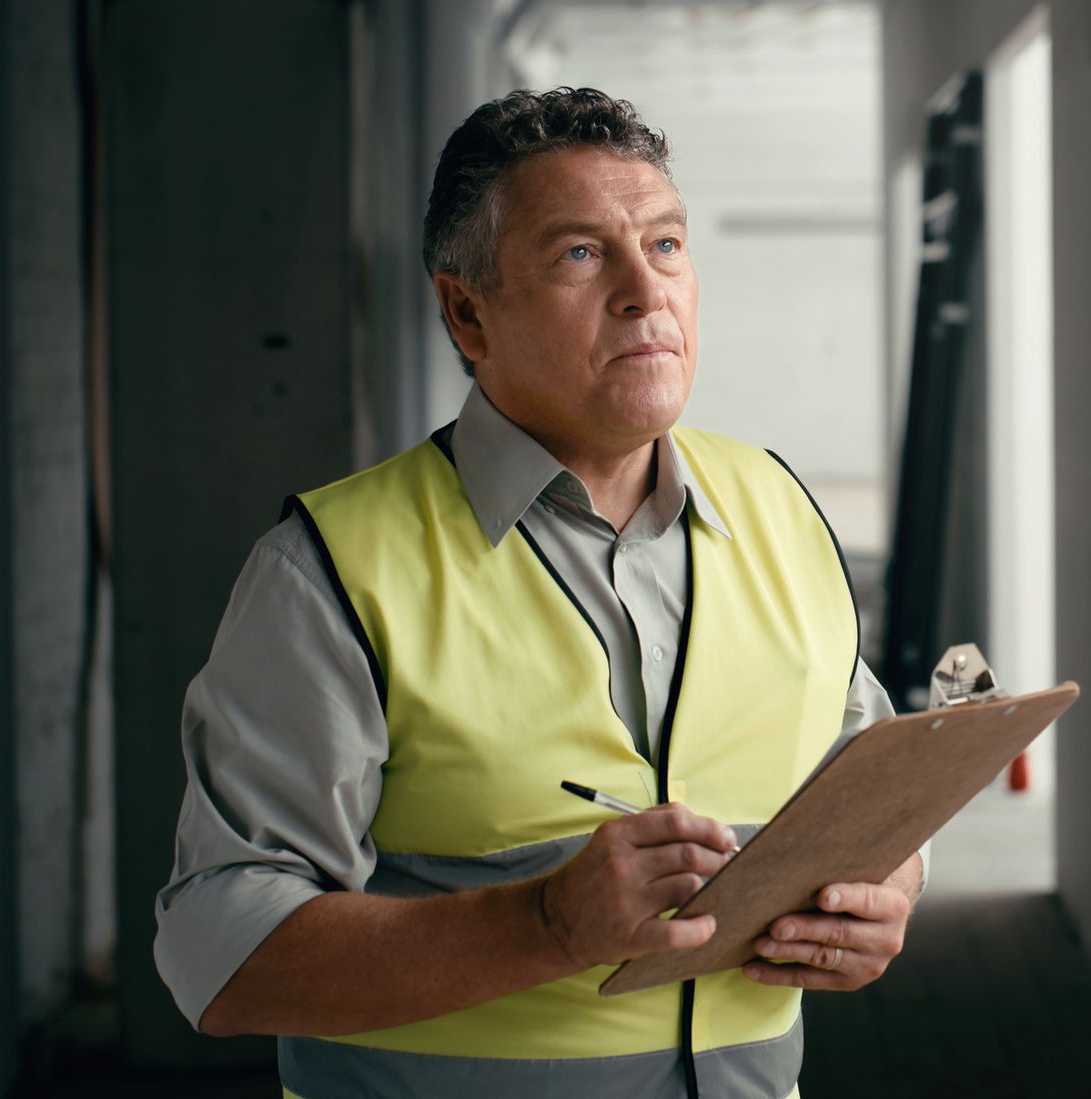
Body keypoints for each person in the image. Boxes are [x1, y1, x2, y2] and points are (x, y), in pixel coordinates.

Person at [154, 87, 925, 1098]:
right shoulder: (334, 572)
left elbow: (866, 791)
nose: (646, 293)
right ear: (466, 312)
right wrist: (546, 925)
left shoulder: (777, 508)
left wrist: (885, 897)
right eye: (579, 253)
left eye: (666, 245)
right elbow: (220, 954)